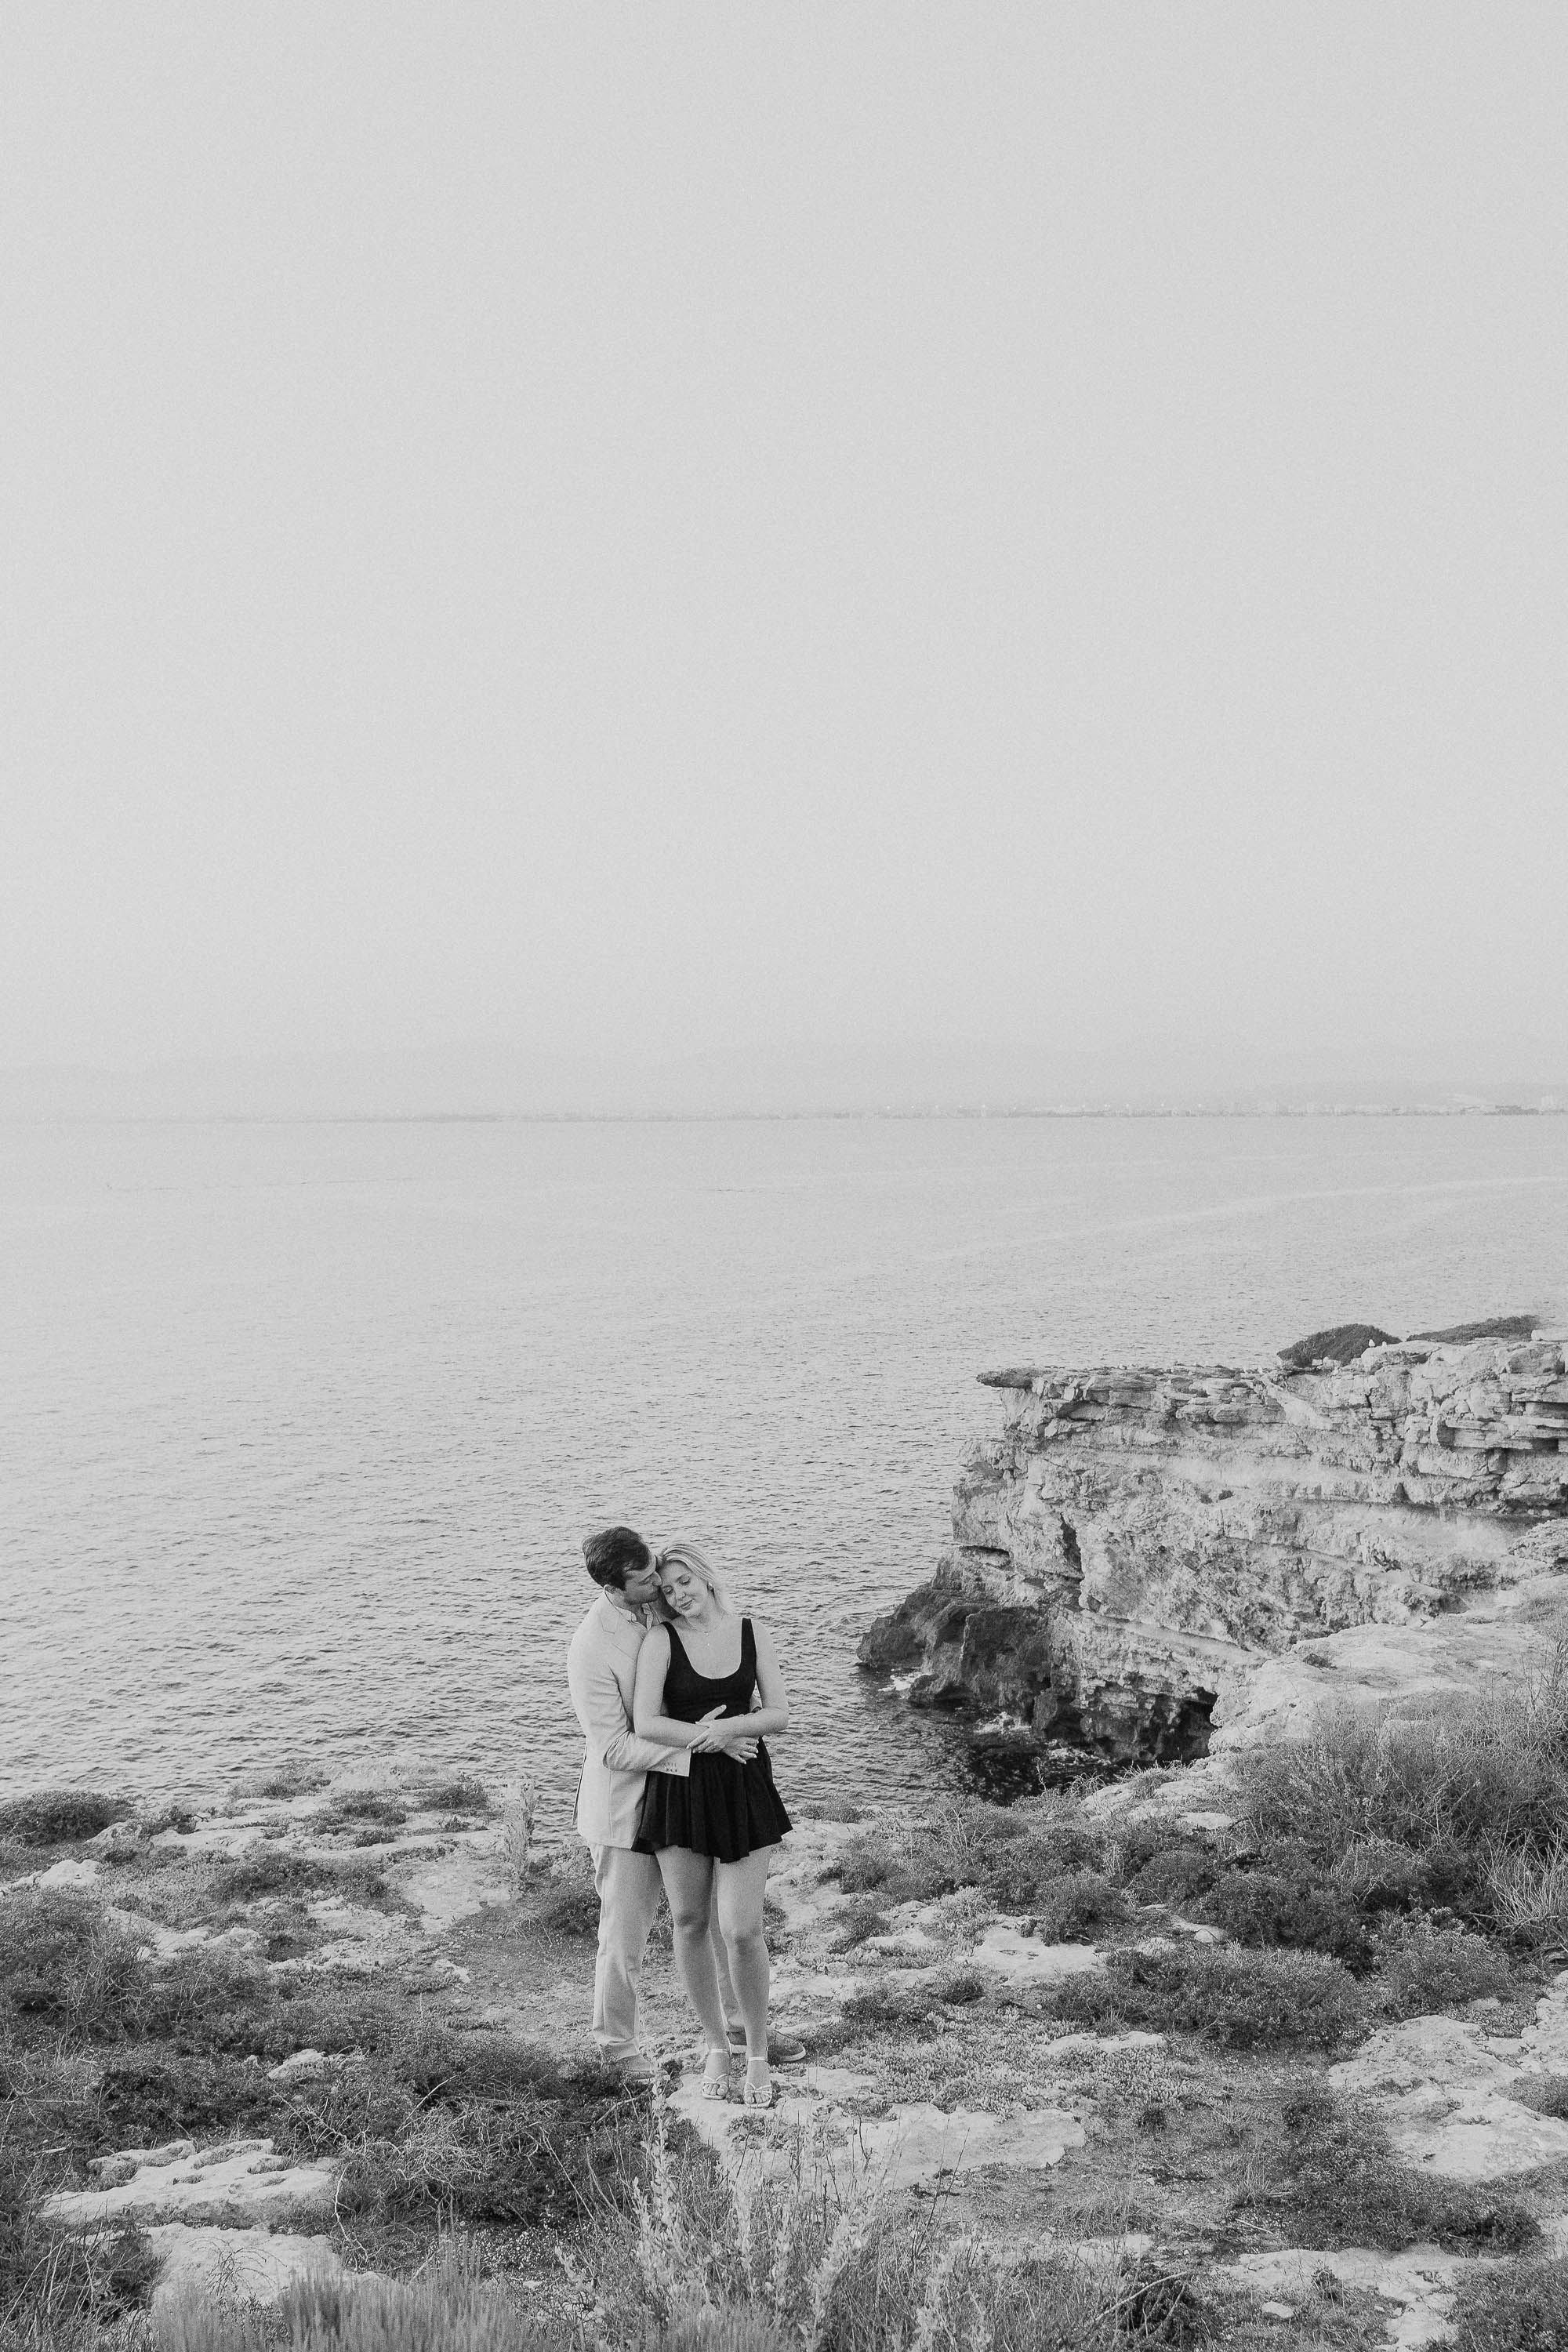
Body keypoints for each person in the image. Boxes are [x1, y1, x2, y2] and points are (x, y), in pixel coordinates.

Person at [566, 1524, 751, 2081]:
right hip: (625, 1809)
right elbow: (613, 1748)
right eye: (646, 1580)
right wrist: (704, 1741)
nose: (658, 1586)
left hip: (683, 1797)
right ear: (614, 1589)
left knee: (708, 1919)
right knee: (624, 1936)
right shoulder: (591, 1647)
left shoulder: (659, 1607)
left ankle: (740, 2026)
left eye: (656, 1571)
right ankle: (617, 2048)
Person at [633, 1540, 793, 2107]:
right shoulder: (661, 1639)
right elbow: (646, 1722)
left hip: (744, 1785)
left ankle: (758, 2052)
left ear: (705, 1576)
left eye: (685, 1582)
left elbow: (778, 1713)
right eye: (668, 1589)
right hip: (680, 1788)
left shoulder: (751, 1631)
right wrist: (712, 1739)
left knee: (742, 1928)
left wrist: (728, 1731)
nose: (679, 1594)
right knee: (689, 1920)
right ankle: (716, 2045)